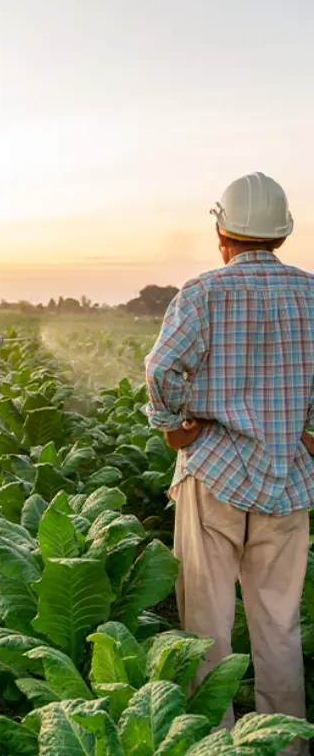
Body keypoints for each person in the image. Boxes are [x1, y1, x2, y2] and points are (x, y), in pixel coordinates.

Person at [145, 172, 313, 752]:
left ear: (222, 231)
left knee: (206, 626)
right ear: (282, 235)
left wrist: (173, 427)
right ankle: (288, 744)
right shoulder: (312, 294)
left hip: (213, 472)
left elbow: (160, 369)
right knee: (279, 625)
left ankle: (212, 743)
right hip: (289, 478)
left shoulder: (203, 292)